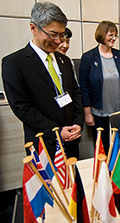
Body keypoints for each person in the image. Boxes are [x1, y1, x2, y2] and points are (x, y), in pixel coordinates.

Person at [2, 2, 84, 159]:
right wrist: (57, 132)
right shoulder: (14, 63)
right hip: (43, 143)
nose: (59, 41)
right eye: (53, 34)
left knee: (72, 182)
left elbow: (75, 92)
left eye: (61, 35)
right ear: (33, 28)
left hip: (71, 139)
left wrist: (78, 123)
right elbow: (22, 107)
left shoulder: (64, 60)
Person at [79, 20, 120, 153]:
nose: (114, 38)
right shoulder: (88, 57)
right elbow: (84, 87)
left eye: (115, 35)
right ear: (101, 34)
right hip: (98, 111)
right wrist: (87, 114)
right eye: (110, 35)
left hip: (119, 111)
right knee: (102, 147)